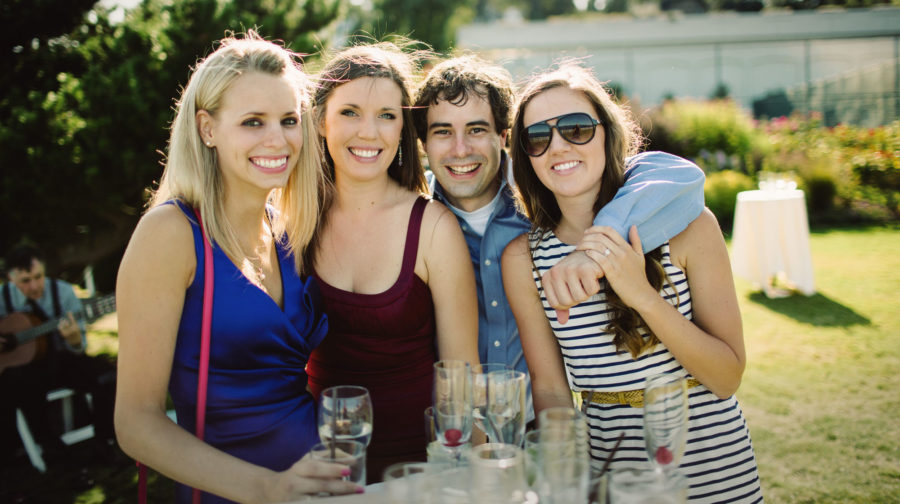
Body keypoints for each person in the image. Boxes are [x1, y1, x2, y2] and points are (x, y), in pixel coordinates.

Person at [114, 33, 361, 503]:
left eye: (289, 120)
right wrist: (267, 488)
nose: (278, 139)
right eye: (253, 122)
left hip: (320, 489)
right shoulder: (171, 233)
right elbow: (135, 422)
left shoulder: (285, 230)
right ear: (207, 128)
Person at [502, 64, 763, 502]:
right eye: (538, 137)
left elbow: (726, 377)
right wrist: (566, 474)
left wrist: (642, 295)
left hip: (711, 468)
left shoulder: (690, 227)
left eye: (576, 128)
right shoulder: (523, 259)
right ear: (525, 155)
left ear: (607, 134)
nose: (558, 146)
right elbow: (549, 390)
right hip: (608, 472)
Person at [412, 56, 705, 421]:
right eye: (442, 132)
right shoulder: (410, 223)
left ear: (503, 137)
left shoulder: (546, 199)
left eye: (476, 129)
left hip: (540, 426)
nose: (460, 149)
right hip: (451, 428)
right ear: (422, 143)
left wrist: (597, 245)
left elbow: (675, 175)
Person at [305, 43, 480, 481]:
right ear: (321, 120)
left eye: (386, 115)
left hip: (418, 472)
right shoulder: (295, 220)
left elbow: (461, 377)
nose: (369, 132)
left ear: (403, 128)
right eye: (350, 112)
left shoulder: (434, 227)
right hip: (316, 467)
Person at [0, 244, 116, 465]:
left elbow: (79, 348)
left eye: (38, 277)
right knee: (16, 383)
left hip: (62, 361)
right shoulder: (2, 298)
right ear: (11, 279)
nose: (34, 286)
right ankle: (48, 445)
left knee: (107, 375)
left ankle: (104, 440)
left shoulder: (63, 293)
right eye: (25, 281)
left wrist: (73, 339)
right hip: (24, 372)